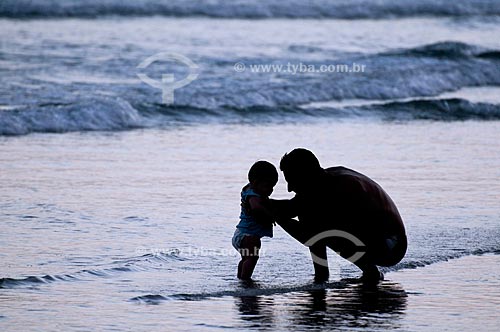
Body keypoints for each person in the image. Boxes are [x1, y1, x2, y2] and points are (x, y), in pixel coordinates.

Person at [270, 148, 407, 283]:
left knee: (313, 219)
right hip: (384, 240)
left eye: (292, 181)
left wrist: (269, 211)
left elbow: (303, 227)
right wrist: (254, 199)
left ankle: (326, 274)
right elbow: (292, 207)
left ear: (305, 176)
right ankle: (327, 273)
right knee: (310, 215)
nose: (289, 188)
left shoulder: (339, 188)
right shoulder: (326, 180)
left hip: (391, 247)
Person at [232, 161, 278, 280]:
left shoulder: (248, 190)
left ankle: (241, 280)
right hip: (249, 235)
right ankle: (246, 281)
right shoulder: (254, 196)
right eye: (268, 186)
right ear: (256, 183)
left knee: (246, 258)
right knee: (252, 258)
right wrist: (271, 216)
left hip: (241, 233)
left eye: (273, 186)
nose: (271, 190)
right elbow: (256, 207)